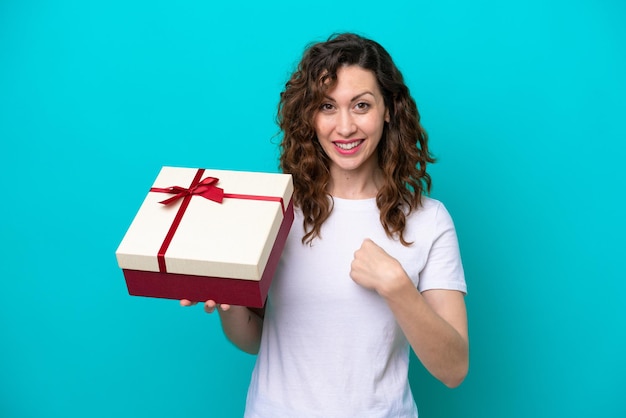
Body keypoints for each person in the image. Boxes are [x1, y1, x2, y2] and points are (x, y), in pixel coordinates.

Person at [182, 32, 468, 417]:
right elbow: (256, 340)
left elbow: (453, 369)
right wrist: (229, 304)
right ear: (310, 115)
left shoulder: (429, 220)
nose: (345, 126)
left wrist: (398, 287)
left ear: (388, 109)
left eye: (361, 105)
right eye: (328, 106)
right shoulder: (279, 210)